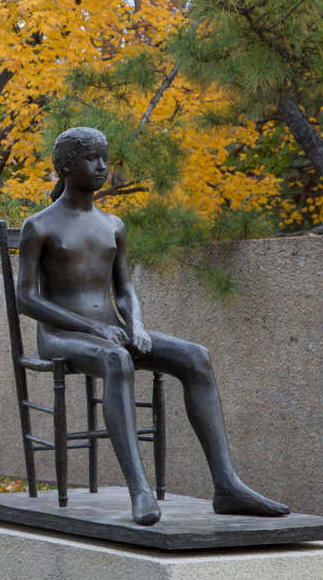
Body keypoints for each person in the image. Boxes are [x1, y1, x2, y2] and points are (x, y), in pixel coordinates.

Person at [16, 127, 289, 526]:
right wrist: (92, 330)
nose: (102, 166)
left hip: (113, 330)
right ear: (65, 166)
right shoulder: (38, 226)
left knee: (195, 357)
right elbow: (27, 299)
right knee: (116, 361)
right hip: (61, 337)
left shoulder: (113, 224)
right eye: (92, 158)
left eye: (104, 157)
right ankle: (140, 491)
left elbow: (124, 289)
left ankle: (227, 485)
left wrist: (137, 324)